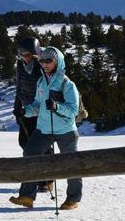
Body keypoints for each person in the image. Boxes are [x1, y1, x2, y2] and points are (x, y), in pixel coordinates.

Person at [9, 46, 82, 210]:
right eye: (42, 60)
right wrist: (24, 111)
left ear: (58, 62)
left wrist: (56, 107)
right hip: (44, 129)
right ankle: (27, 196)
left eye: (49, 61)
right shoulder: (41, 81)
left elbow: (73, 111)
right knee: (29, 154)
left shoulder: (67, 84)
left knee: (72, 164)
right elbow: (37, 105)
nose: (45, 64)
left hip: (66, 131)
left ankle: (73, 199)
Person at [13, 37, 52, 193]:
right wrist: (17, 105)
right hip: (26, 110)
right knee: (24, 142)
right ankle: (36, 176)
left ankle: (47, 180)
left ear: (35, 53)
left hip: (42, 110)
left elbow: (51, 85)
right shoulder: (21, 66)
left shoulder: (43, 65)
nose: (24, 57)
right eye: (21, 54)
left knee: (43, 145)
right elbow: (19, 87)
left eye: (27, 54)